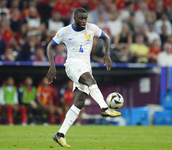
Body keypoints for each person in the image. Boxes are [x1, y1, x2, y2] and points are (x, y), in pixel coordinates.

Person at [46, 7, 121, 147]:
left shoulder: (92, 28)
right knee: (91, 81)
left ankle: (60, 134)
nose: (84, 21)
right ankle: (105, 108)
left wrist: (107, 54)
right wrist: (52, 65)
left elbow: (106, 38)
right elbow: (50, 46)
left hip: (86, 66)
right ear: (74, 18)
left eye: (85, 18)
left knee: (79, 102)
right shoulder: (64, 31)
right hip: (73, 64)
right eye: (81, 18)